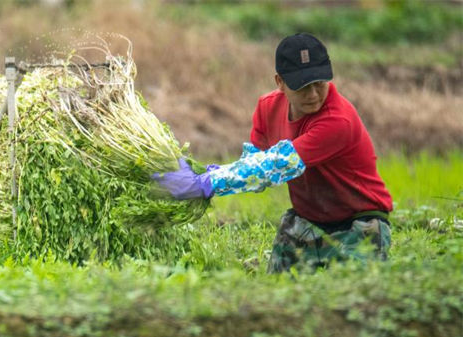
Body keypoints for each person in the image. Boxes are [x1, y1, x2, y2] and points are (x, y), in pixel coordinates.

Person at [153, 33, 393, 273]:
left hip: (359, 222)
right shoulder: (268, 107)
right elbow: (253, 164)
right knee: (278, 287)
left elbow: (276, 166)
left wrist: (206, 183)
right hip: (307, 219)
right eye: (302, 86)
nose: (313, 95)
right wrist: (202, 172)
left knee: (350, 293)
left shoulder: (337, 120)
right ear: (280, 82)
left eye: (319, 83)